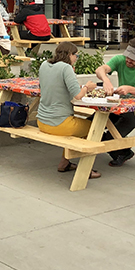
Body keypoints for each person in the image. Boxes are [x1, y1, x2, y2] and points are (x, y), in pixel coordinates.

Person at [38, 42, 101, 179]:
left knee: (80, 126)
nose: (76, 58)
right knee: (95, 128)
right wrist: (87, 87)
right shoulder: (66, 68)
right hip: (59, 123)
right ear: (69, 55)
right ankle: (85, 169)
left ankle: (64, 163)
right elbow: (78, 95)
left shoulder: (44, 65)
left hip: (42, 121)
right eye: (75, 55)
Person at [95, 38, 135, 167]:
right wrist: (106, 79)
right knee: (90, 126)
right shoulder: (120, 60)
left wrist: (131, 90)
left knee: (109, 138)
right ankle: (122, 151)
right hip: (117, 106)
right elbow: (100, 69)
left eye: (133, 58)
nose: (128, 60)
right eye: (127, 57)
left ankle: (124, 152)